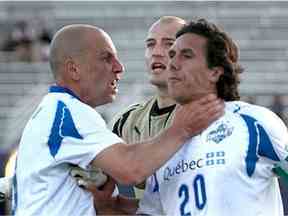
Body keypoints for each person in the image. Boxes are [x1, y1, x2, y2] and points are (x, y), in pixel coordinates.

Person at [12, 24, 224, 215]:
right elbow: (131, 169)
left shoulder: (56, 110)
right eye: (106, 58)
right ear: (74, 69)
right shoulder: (68, 114)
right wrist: (182, 128)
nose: (119, 67)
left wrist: (113, 207)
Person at [136, 18, 288, 216]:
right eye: (172, 55)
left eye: (186, 55)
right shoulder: (165, 142)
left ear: (215, 72)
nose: (172, 63)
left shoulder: (254, 122)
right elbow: (151, 212)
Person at [110, 16, 185, 199]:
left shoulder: (209, 117)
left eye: (169, 44)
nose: (156, 52)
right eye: (151, 44)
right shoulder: (126, 121)